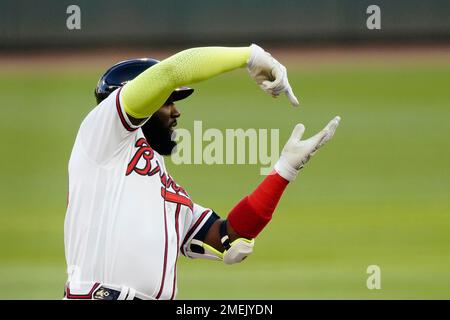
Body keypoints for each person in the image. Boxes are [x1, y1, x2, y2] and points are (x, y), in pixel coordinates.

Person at [63, 44, 341, 300]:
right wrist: (249, 56)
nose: (176, 112)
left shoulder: (165, 190)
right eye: (167, 102)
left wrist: (284, 171)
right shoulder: (102, 135)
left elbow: (227, 237)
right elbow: (171, 71)